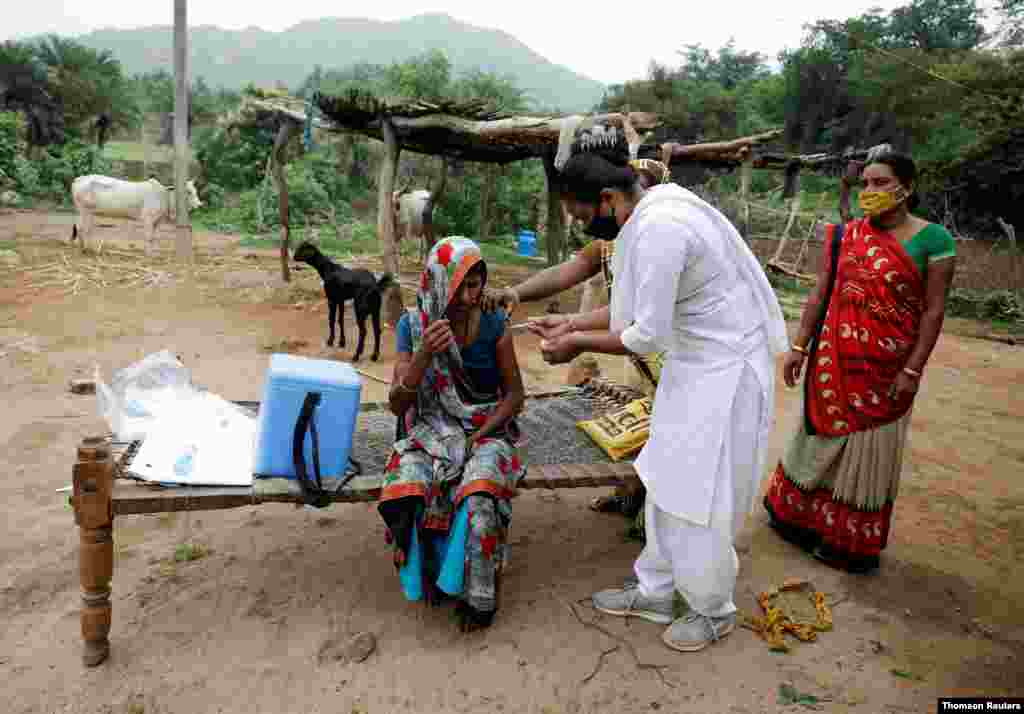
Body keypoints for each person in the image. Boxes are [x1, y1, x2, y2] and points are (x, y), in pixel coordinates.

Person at [532, 149, 789, 652]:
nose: (585, 227)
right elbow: (640, 304)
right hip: (694, 365)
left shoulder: (662, 228)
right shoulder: (650, 211)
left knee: (703, 492)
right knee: (665, 473)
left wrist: (575, 341)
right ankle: (656, 590)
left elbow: (645, 332)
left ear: (607, 199)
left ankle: (712, 608)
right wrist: (571, 322)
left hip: (726, 371)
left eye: (585, 217)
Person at [764, 151, 957, 573]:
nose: (870, 192)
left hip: (887, 369)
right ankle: (794, 519)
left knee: (868, 450)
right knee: (815, 438)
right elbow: (820, 293)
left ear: (907, 186)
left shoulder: (935, 241)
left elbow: (933, 311)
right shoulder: (845, 235)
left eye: (881, 183)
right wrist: (799, 346)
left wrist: (913, 370)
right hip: (834, 358)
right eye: (865, 183)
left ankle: (848, 542)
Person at [480, 158, 673, 522]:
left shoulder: (657, 240)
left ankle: (657, 525)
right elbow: (573, 275)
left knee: (671, 444)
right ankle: (635, 497)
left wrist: (577, 338)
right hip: (648, 363)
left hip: (673, 364)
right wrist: (518, 295)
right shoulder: (614, 243)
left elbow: (644, 328)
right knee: (648, 433)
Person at [379, 236, 527, 632]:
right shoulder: (414, 326)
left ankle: (478, 599)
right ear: (438, 284)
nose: (466, 297)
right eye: (458, 286)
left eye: (475, 285)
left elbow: (515, 397)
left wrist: (482, 435)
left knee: (480, 494)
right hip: (431, 429)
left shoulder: (495, 324)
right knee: (410, 485)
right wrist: (424, 353)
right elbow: (397, 404)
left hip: (485, 426)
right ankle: (429, 578)